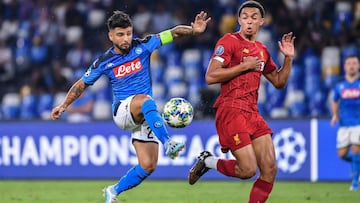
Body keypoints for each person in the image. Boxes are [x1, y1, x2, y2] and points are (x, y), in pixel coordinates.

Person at [50, 10, 210, 203]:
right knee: (146, 100)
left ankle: (113, 191)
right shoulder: (104, 61)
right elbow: (81, 84)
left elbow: (173, 32)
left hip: (143, 114)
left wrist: (193, 30)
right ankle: (169, 143)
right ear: (111, 36)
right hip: (123, 112)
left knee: (148, 165)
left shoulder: (144, 45)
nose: (126, 38)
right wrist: (64, 105)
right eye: (120, 34)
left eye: (128, 33)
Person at [188, 1, 295, 203]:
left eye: (254, 17)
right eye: (245, 17)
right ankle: (208, 162)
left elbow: (279, 82)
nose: (249, 21)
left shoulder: (262, 50)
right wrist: (244, 67)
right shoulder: (228, 41)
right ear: (239, 20)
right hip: (231, 110)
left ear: (261, 22)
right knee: (247, 170)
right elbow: (210, 76)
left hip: (252, 113)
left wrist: (288, 58)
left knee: (270, 169)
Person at [330, 55, 360, 191]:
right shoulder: (339, 85)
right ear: (345, 67)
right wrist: (335, 115)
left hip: (358, 123)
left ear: (358, 66)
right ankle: (357, 165)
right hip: (344, 124)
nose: (352, 66)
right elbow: (334, 100)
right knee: (342, 154)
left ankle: (355, 182)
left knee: (356, 149)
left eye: (354, 63)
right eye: (349, 63)